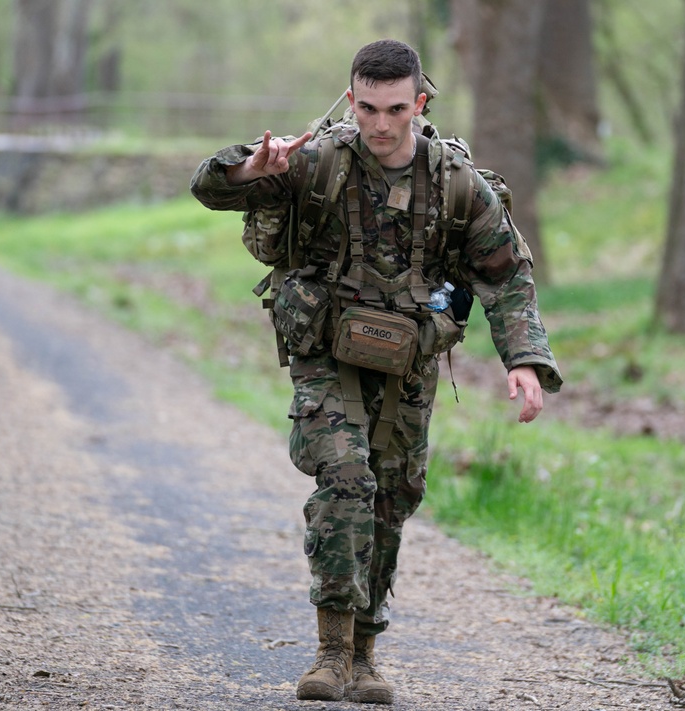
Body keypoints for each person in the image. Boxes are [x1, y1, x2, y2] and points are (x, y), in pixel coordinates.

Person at [190, 38, 562, 704]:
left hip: (408, 360)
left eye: (395, 108)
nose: (381, 124)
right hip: (325, 351)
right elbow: (208, 188)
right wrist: (249, 172)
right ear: (351, 99)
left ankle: (365, 652)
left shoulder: (456, 183)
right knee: (346, 474)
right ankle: (330, 652)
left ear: (420, 102)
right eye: (367, 107)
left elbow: (507, 275)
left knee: (392, 498)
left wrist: (527, 361)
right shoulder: (314, 160)